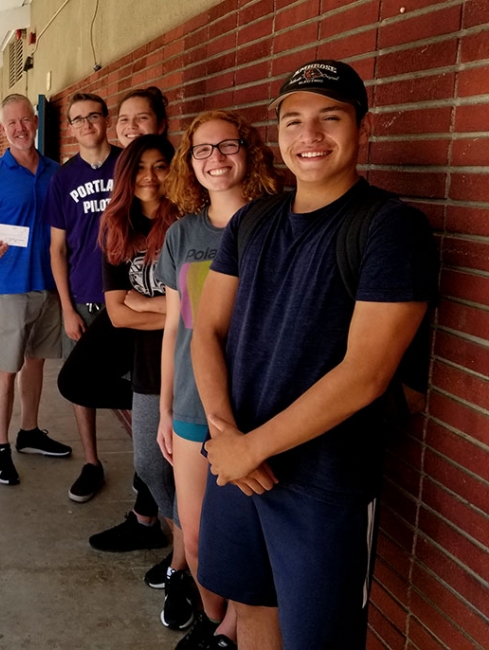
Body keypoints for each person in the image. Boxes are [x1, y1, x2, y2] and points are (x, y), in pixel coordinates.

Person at [191, 60, 438, 648]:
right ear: (277, 132)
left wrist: (248, 448)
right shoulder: (253, 220)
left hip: (324, 483)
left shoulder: (390, 228)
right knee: (251, 609)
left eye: (331, 117)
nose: (311, 136)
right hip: (240, 465)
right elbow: (206, 330)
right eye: (294, 119)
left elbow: (366, 374)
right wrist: (227, 437)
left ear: (363, 128)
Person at [155, 111, 282, 647]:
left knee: (248, 550)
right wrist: (163, 409)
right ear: (189, 164)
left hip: (258, 409)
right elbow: (172, 329)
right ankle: (216, 619)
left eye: (226, 146)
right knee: (203, 546)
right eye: (201, 151)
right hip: (190, 407)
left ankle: (230, 632)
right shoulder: (183, 233)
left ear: (248, 152)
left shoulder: (278, 222)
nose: (215, 159)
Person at [96, 134, 195, 630]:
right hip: (148, 367)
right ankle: (193, 547)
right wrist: (170, 309)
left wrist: (146, 306)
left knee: (186, 472)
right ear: (126, 176)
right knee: (150, 466)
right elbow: (116, 315)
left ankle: (184, 566)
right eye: (140, 169)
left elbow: (202, 311)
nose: (151, 178)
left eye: (161, 167)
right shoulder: (116, 227)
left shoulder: (188, 223)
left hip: (195, 365)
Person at [0, 93, 70, 486]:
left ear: (35, 121)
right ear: (2, 130)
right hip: (10, 285)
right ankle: (0, 446)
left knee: (37, 362)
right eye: (11, 123)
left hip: (50, 283)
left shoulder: (56, 172)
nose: (20, 128)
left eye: (25, 120)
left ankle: (29, 431)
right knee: (7, 368)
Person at [47, 92, 122, 503]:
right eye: (78, 119)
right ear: (71, 127)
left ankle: (148, 466)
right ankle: (92, 461)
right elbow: (57, 249)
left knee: (134, 384)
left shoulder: (128, 164)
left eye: (93, 116)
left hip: (129, 299)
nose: (86, 124)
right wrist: (66, 307)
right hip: (84, 297)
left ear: (106, 119)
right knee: (81, 386)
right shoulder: (63, 177)